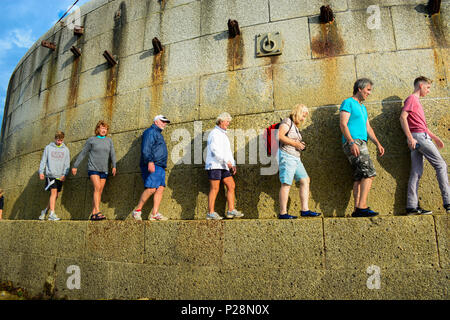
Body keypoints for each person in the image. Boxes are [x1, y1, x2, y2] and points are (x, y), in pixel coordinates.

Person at [399, 76, 449, 215]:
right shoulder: (412, 99)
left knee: (416, 172)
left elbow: (421, 125)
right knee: (441, 165)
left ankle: (411, 207)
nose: (429, 90)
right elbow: (403, 117)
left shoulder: (416, 101)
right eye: (428, 87)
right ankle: (448, 202)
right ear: (420, 85)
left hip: (419, 136)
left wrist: (435, 138)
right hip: (418, 138)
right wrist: (410, 138)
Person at [339, 78, 385, 217]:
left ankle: (356, 209)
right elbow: (343, 124)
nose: (369, 93)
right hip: (354, 142)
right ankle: (362, 206)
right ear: (360, 88)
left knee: (359, 176)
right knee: (369, 173)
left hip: (361, 142)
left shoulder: (363, 107)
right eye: (368, 90)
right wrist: (351, 142)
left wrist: (377, 143)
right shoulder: (348, 102)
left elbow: (368, 128)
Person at [278, 104, 321, 219]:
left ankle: (305, 210)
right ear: (297, 111)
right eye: (303, 114)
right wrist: (296, 143)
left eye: (305, 116)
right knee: (286, 183)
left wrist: (300, 144)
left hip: (296, 157)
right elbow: (279, 136)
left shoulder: (295, 127)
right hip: (287, 156)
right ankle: (282, 213)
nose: (303, 118)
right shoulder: (287, 121)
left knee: (305, 180)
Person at [72, 120, 116, 220]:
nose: (103, 130)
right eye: (102, 128)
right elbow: (83, 153)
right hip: (93, 168)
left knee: (99, 191)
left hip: (104, 169)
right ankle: (98, 211)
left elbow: (112, 154)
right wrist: (75, 166)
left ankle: (93, 213)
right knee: (97, 188)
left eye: (105, 128)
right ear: (98, 129)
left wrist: (114, 166)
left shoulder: (109, 141)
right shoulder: (91, 140)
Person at [205, 112, 243, 220]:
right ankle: (210, 213)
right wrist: (226, 161)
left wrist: (233, 163)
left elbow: (227, 151)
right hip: (215, 165)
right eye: (227, 121)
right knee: (215, 188)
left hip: (224, 166)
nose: (228, 123)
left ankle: (231, 210)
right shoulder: (214, 133)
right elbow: (214, 150)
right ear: (221, 121)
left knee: (231, 185)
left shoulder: (223, 134)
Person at [132, 115, 171, 221]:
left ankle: (154, 213)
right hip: (153, 164)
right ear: (156, 121)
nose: (164, 124)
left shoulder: (157, 133)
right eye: (162, 121)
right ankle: (137, 211)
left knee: (160, 188)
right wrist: (150, 161)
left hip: (160, 165)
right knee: (151, 188)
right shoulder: (150, 132)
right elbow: (146, 148)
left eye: (165, 122)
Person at [38, 131, 70, 221]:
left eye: (61, 140)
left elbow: (67, 163)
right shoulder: (48, 148)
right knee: (53, 193)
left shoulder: (66, 150)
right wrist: (41, 172)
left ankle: (44, 211)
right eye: (58, 140)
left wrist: (65, 174)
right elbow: (43, 160)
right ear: (55, 139)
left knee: (55, 195)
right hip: (50, 174)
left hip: (60, 176)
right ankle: (52, 214)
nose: (59, 142)